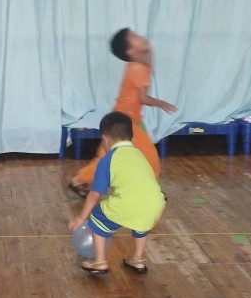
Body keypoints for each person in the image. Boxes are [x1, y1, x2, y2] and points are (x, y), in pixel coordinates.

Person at [69, 28, 175, 194]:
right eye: (135, 37)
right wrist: (161, 103)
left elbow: (148, 70)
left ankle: (79, 180)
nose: (141, 36)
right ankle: (150, 190)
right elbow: (143, 99)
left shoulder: (137, 66)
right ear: (130, 50)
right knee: (148, 158)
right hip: (125, 123)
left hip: (126, 121)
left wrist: (149, 53)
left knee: (109, 157)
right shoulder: (138, 69)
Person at [68, 111, 166, 276]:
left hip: (130, 204)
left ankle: (100, 261)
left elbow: (95, 194)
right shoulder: (139, 154)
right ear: (130, 137)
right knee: (142, 220)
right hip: (156, 204)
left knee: (98, 216)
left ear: (105, 139)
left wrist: (81, 217)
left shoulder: (108, 159)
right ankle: (138, 259)